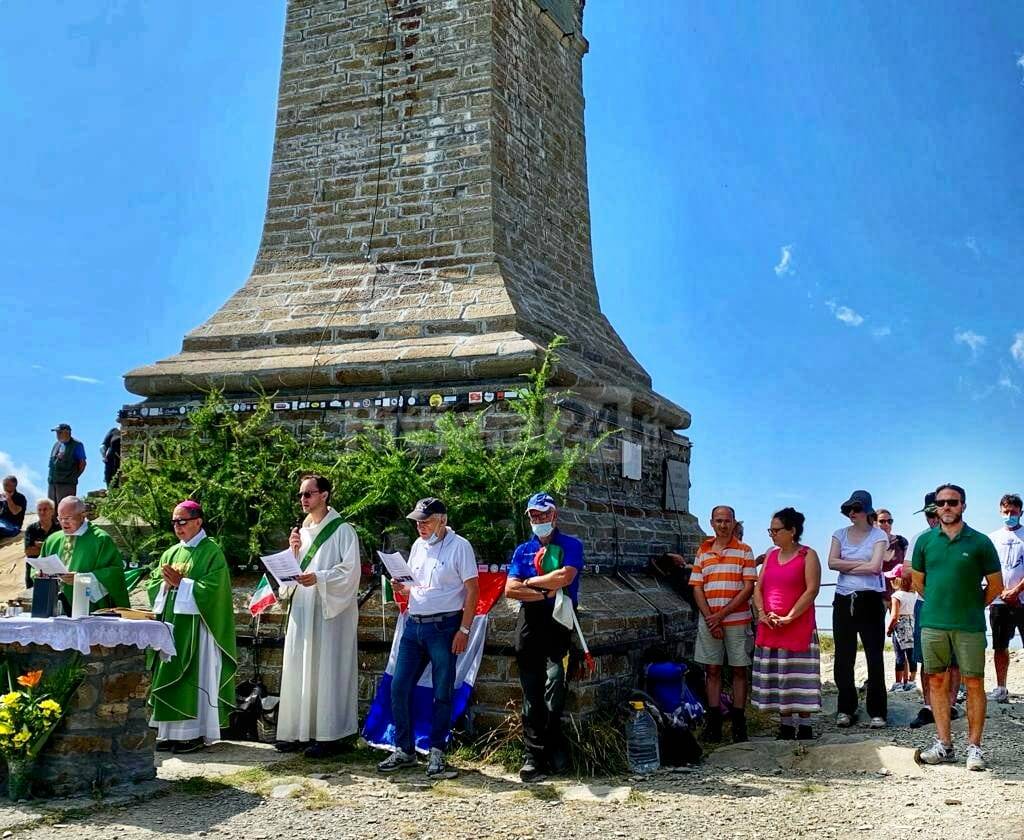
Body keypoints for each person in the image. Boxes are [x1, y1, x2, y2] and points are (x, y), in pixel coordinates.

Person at [377, 498, 479, 778]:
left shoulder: (461, 546)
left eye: (426, 521)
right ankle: (405, 749)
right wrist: (401, 586)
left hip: (445, 626)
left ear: (442, 520)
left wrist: (465, 629)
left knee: (442, 691)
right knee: (399, 687)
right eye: (418, 521)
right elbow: (415, 587)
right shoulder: (417, 546)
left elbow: (472, 590)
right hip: (415, 624)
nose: (420, 526)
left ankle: (437, 751)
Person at [912, 483, 1001, 770]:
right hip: (933, 624)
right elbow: (918, 582)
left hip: (969, 625)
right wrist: (940, 603)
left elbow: (996, 585)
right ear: (935, 507)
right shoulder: (925, 542)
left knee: (973, 683)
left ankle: (974, 748)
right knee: (936, 681)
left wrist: (973, 606)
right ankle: (944, 745)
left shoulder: (980, 542)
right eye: (941, 503)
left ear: (963, 505)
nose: (947, 507)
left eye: (953, 502)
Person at [275, 475, 362, 758]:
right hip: (302, 607)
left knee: (326, 670)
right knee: (300, 667)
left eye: (308, 494)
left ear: (324, 495)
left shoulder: (342, 530)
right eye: (301, 495)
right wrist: (293, 552)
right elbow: (290, 572)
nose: (303, 499)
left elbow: (350, 573)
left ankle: (329, 735)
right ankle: (297, 731)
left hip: (329, 613)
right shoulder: (301, 532)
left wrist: (320, 577)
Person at [505, 492, 584, 782]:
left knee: (556, 683)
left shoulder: (571, 545)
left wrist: (530, 582)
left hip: (559, 622)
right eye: (532, 515)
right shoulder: (522, 550)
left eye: (542, 513)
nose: (537, 519)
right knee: (531, 692)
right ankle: (533, 755)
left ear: (554, 514)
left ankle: (553, 745)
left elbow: (565, 577)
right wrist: (542, 591)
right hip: (531, 622)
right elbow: (509, 590)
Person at [147, 501, 237, 754]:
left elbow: (215, 589)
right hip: (173, 626)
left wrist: (183, 584)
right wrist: (165, 585)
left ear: (198, 522)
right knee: (168, 674)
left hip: (199, 627)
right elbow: (155, 583)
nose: (177, 527)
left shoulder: (211, 551)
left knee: (192, 676)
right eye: (174, 522)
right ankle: (168, 733)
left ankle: (194, 733)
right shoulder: (171, 553)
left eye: (182, 521)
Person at [752, 507, 821, 740]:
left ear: (791, 530)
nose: (772, 534)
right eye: (770, 530)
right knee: (779, 673)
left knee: (799, 674)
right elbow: (758, 587)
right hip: (771, 624)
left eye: (776, 530)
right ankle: (785, 724)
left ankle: (804, 724)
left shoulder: (808, 555)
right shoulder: (770, 555)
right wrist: (761, 612)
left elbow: (811, 590)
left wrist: (790, 616)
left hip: (797, 624)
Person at [690, 505, 757, 743]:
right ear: (712, 523)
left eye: (727, 521)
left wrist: (721, 615)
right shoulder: (703, 551)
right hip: (709, 620)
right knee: (712, 670)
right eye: (718, 521)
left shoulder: (744, 551)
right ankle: (714, 722)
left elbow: (748, 587)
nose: (722, 525)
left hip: (736, 620)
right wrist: (711, 617)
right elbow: (697, 586)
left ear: (734, 523)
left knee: (739, 669)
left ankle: (739, 722)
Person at [828, 490, 888, 728]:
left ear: (867, 511)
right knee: (844, 656)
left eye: (857, 508)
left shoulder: (878, 535)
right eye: (849, 509)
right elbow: (831, 562)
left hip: (870, 599)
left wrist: (846, 566)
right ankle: (846, 708)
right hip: (843, 598)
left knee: (874, 656)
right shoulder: (839, 534)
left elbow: (875, 567)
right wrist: (860, 564)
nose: (852, 513)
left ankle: (877, 710)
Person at [906, 493, 961, 729]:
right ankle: (929, 705)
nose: (932, 518)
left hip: (956, 606)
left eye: (935, 512)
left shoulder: (963, 537)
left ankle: (950, 704)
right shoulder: (919, 539)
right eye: (928, 514)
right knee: (925, 659)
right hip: (926, 604)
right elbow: (908, 572)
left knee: (955, 660)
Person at [37, 496, 129, 612]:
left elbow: (115, 574)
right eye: (60, 518)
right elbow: (39, 565)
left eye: (68, 518)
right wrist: (39, 573)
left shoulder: (100, 539)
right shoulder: (52, 540)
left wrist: (81, 579)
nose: (64, 522)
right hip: (55, 606)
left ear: (83, 515)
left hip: (89, 608)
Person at [986, 493, 1024, 704]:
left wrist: (1017, 591)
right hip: (999, 600)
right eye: (1006, 511)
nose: (1010, 515)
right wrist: (999, 591)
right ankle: (1001, 687)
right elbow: (989, 568)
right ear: (1001, 511)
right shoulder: (993, 538)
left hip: (1021, 600)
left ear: (1021, 512)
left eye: (1014, 512)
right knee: (1000, 646)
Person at [885, 566, 918, 691]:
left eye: (893, 578)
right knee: (912, 655)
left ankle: (898, 683)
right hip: (912, 625)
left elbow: (894, 616)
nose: (891, 580)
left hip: (900, 628)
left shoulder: (896, 596)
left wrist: (889, 629)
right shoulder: (914, 595)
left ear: (899, 580)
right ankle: (911, 682)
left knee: (899, 655)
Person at [23, 498, 59, 589]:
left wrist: (40, 545)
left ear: (52, 511)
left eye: (45, 509)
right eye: (39, 510)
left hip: (55, 571)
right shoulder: (31, 529)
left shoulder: (59, 529)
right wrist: (52, 547)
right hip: (34, 571)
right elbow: (29, 551)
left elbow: (62, 550)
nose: (42, 512)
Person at [875, 509, 908, 610]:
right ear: (874, 523)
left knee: (901, 625)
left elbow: (908, 567)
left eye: (890, 521)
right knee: (877, 625)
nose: (886, 524)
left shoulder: (901, 542)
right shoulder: (870, 544)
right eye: (882, 521)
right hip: (878, 596)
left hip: (899, 595)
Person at [47, 424, 87, 504]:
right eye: (57, 432)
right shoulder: (56, 445)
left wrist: (72, 476)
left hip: (67, 485)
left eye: (60, 432)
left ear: (67, 432)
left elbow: (82, 464)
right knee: (51, 511)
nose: (57, 435)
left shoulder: (77, 445)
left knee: (66, 510)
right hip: (52, 483)